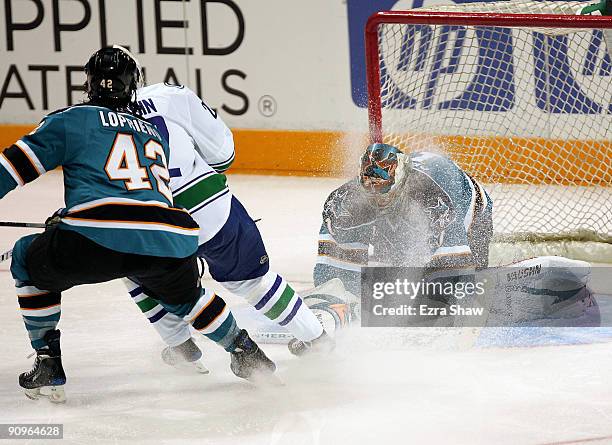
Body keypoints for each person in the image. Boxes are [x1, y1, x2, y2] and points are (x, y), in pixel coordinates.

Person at [3, 46, 274, 403]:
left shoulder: (71, 119)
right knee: (188, 298)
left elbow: (10, 170)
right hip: (168, 237)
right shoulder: (151, 131)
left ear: (89, 85)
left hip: (95, 239)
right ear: (133, 87)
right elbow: (134, 197)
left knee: (25, 258)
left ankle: (48, 362)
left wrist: (67, 222)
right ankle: (246, 353)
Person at [123, 72, 332, 362]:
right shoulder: (168, 95)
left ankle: (180, 345)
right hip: (209, 208)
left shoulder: (86, 120)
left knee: (132, 270)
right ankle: (317, 340)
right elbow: (223, 156)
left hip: (152, 223)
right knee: (255, 282)